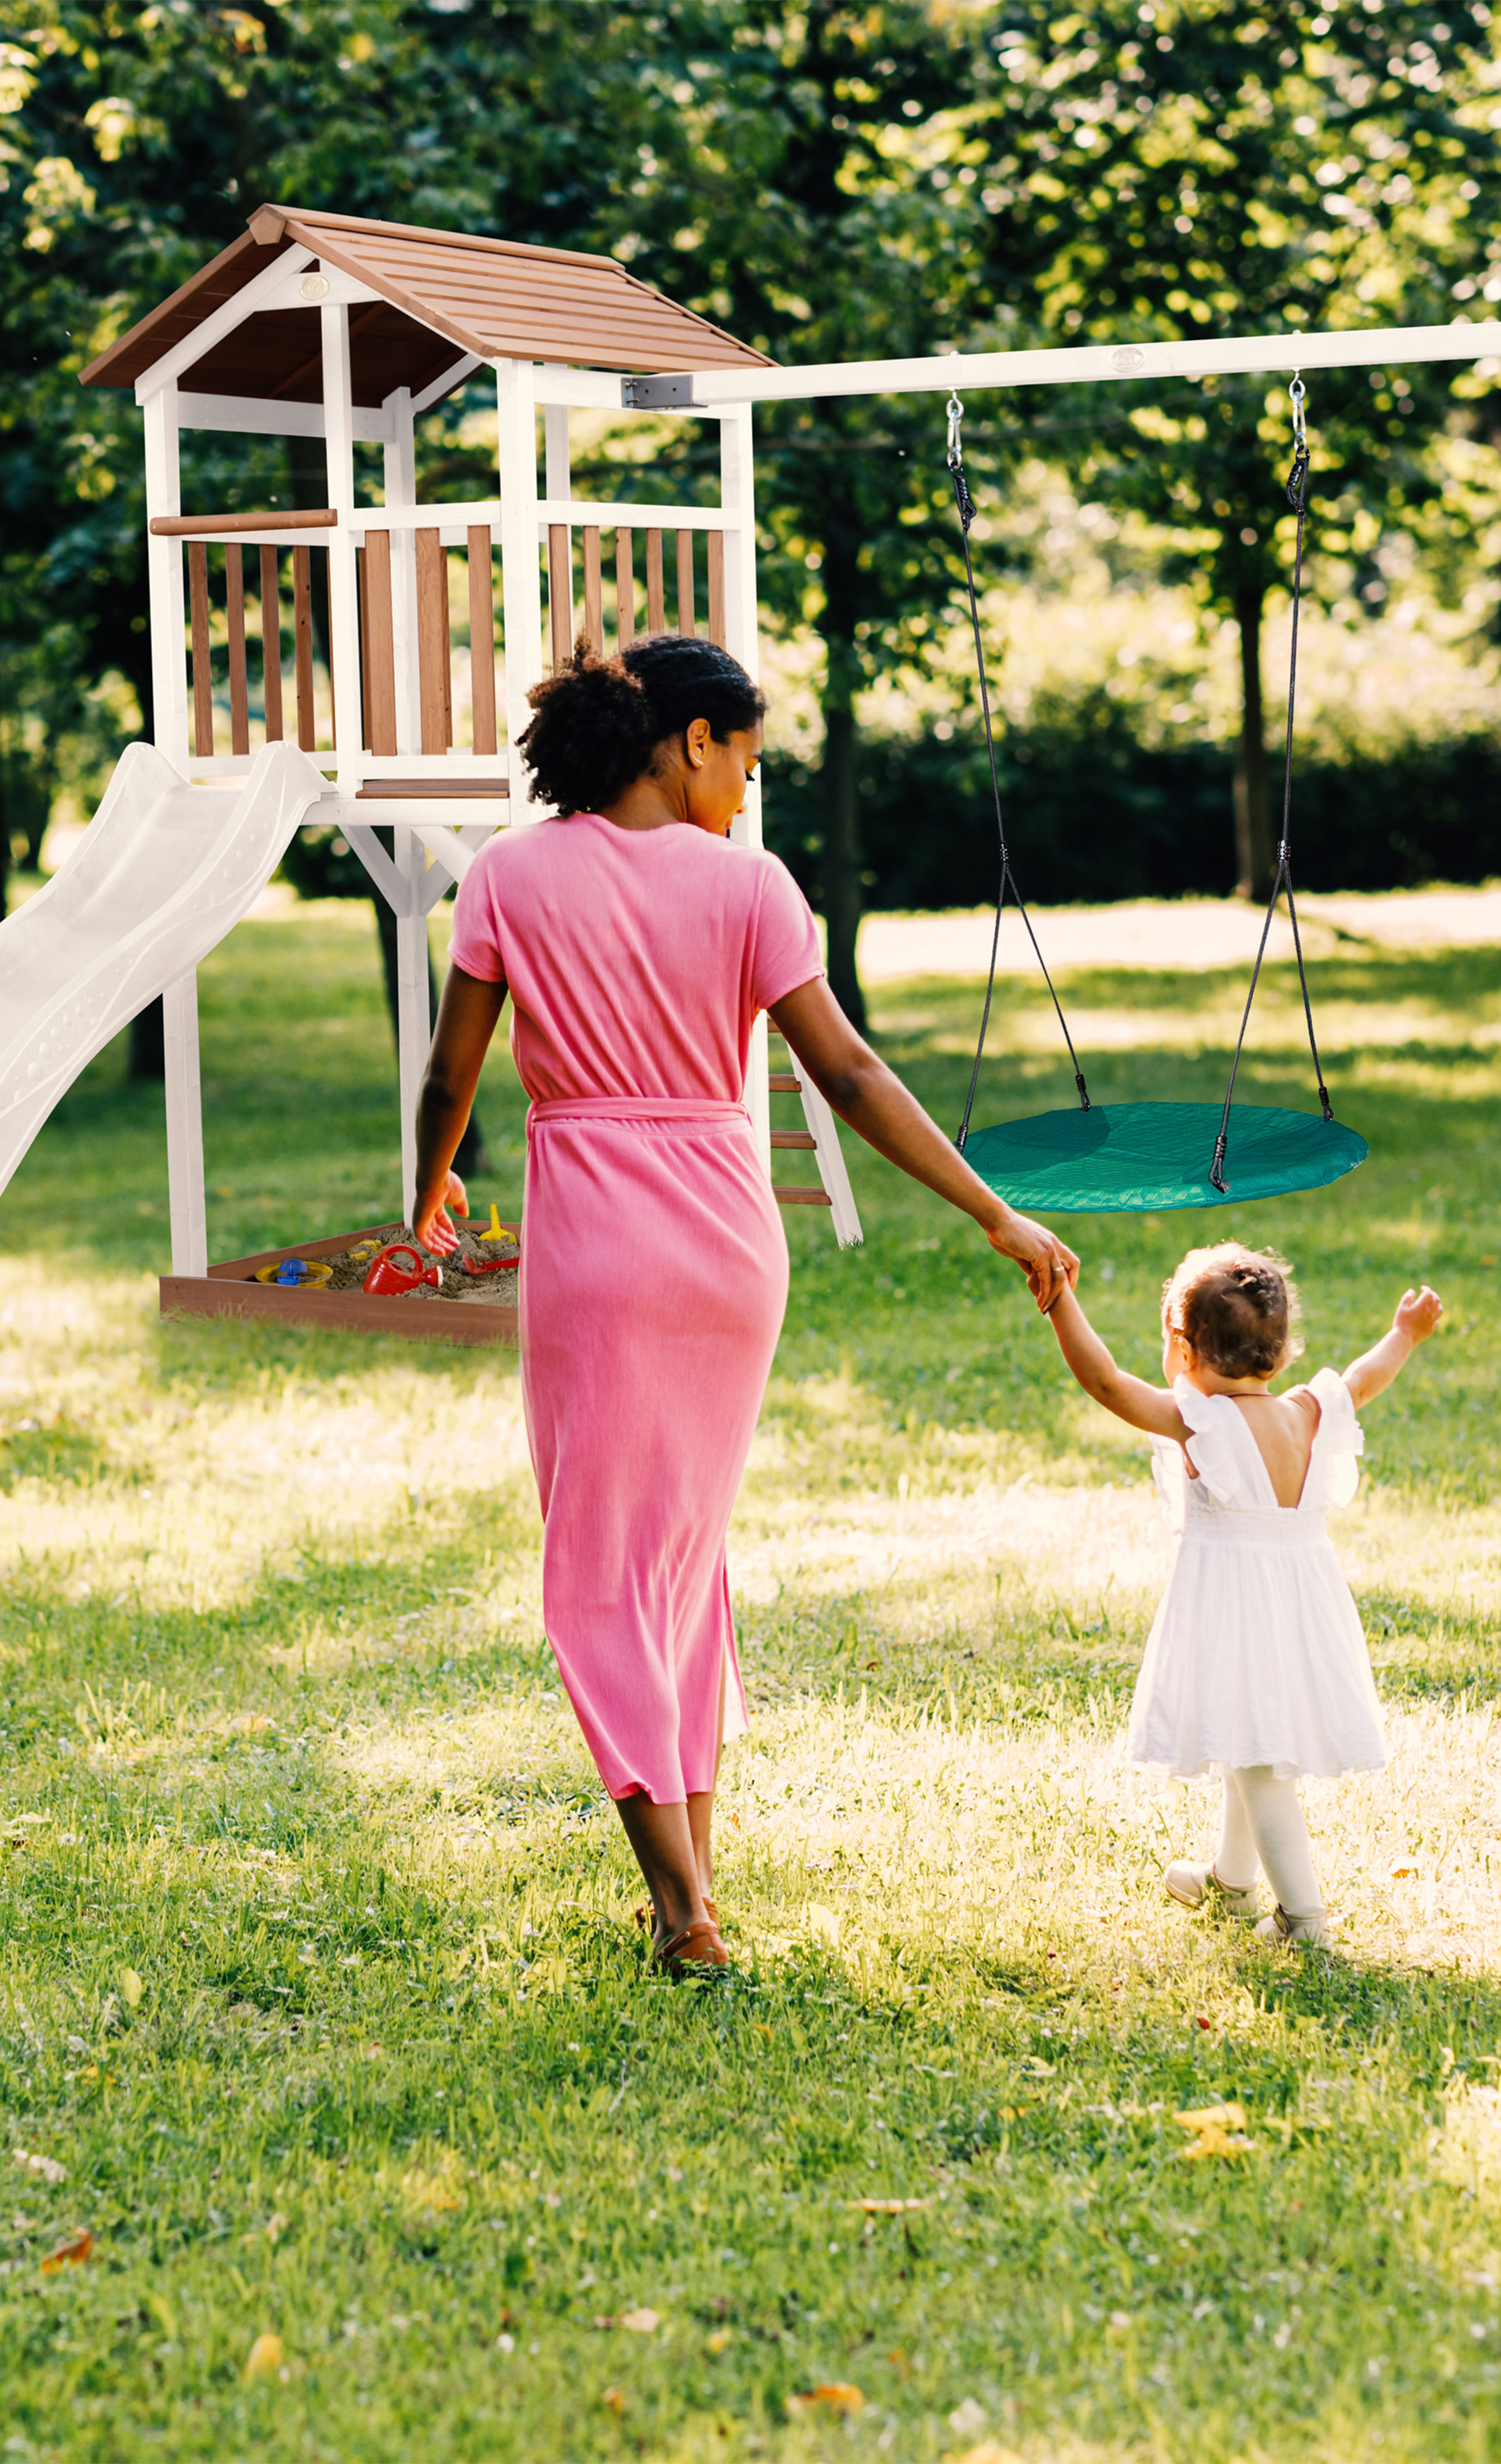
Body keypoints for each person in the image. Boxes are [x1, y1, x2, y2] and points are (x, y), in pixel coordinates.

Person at [412, 636, 1077, 1973]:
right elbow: (851, 1075)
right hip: (728, 1246)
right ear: (691, 741)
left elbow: (450, 1074)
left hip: (597, 1245)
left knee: (601, 1573)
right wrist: (991, 1209)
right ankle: (694, 1883)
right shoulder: (752, 887)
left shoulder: (507, 877)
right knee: (680, 1559)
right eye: (747, 762)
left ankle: (683, 1910)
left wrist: (425, 1193)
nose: (746, 790)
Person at [1040, 1242, 1443, 1947]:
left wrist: (1059, 1300)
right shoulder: (1308, 1411)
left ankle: (1303, 1920)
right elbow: (1364, 1377)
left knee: (1259, 1766)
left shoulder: (1201, 1422)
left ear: (1184, 1349)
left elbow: (1104, 1381)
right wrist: (1404, 1335)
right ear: (1280, 1353)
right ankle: (1231, 1881)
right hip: (1301, 1610)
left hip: (1237, 1613)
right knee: (1245, 1738)